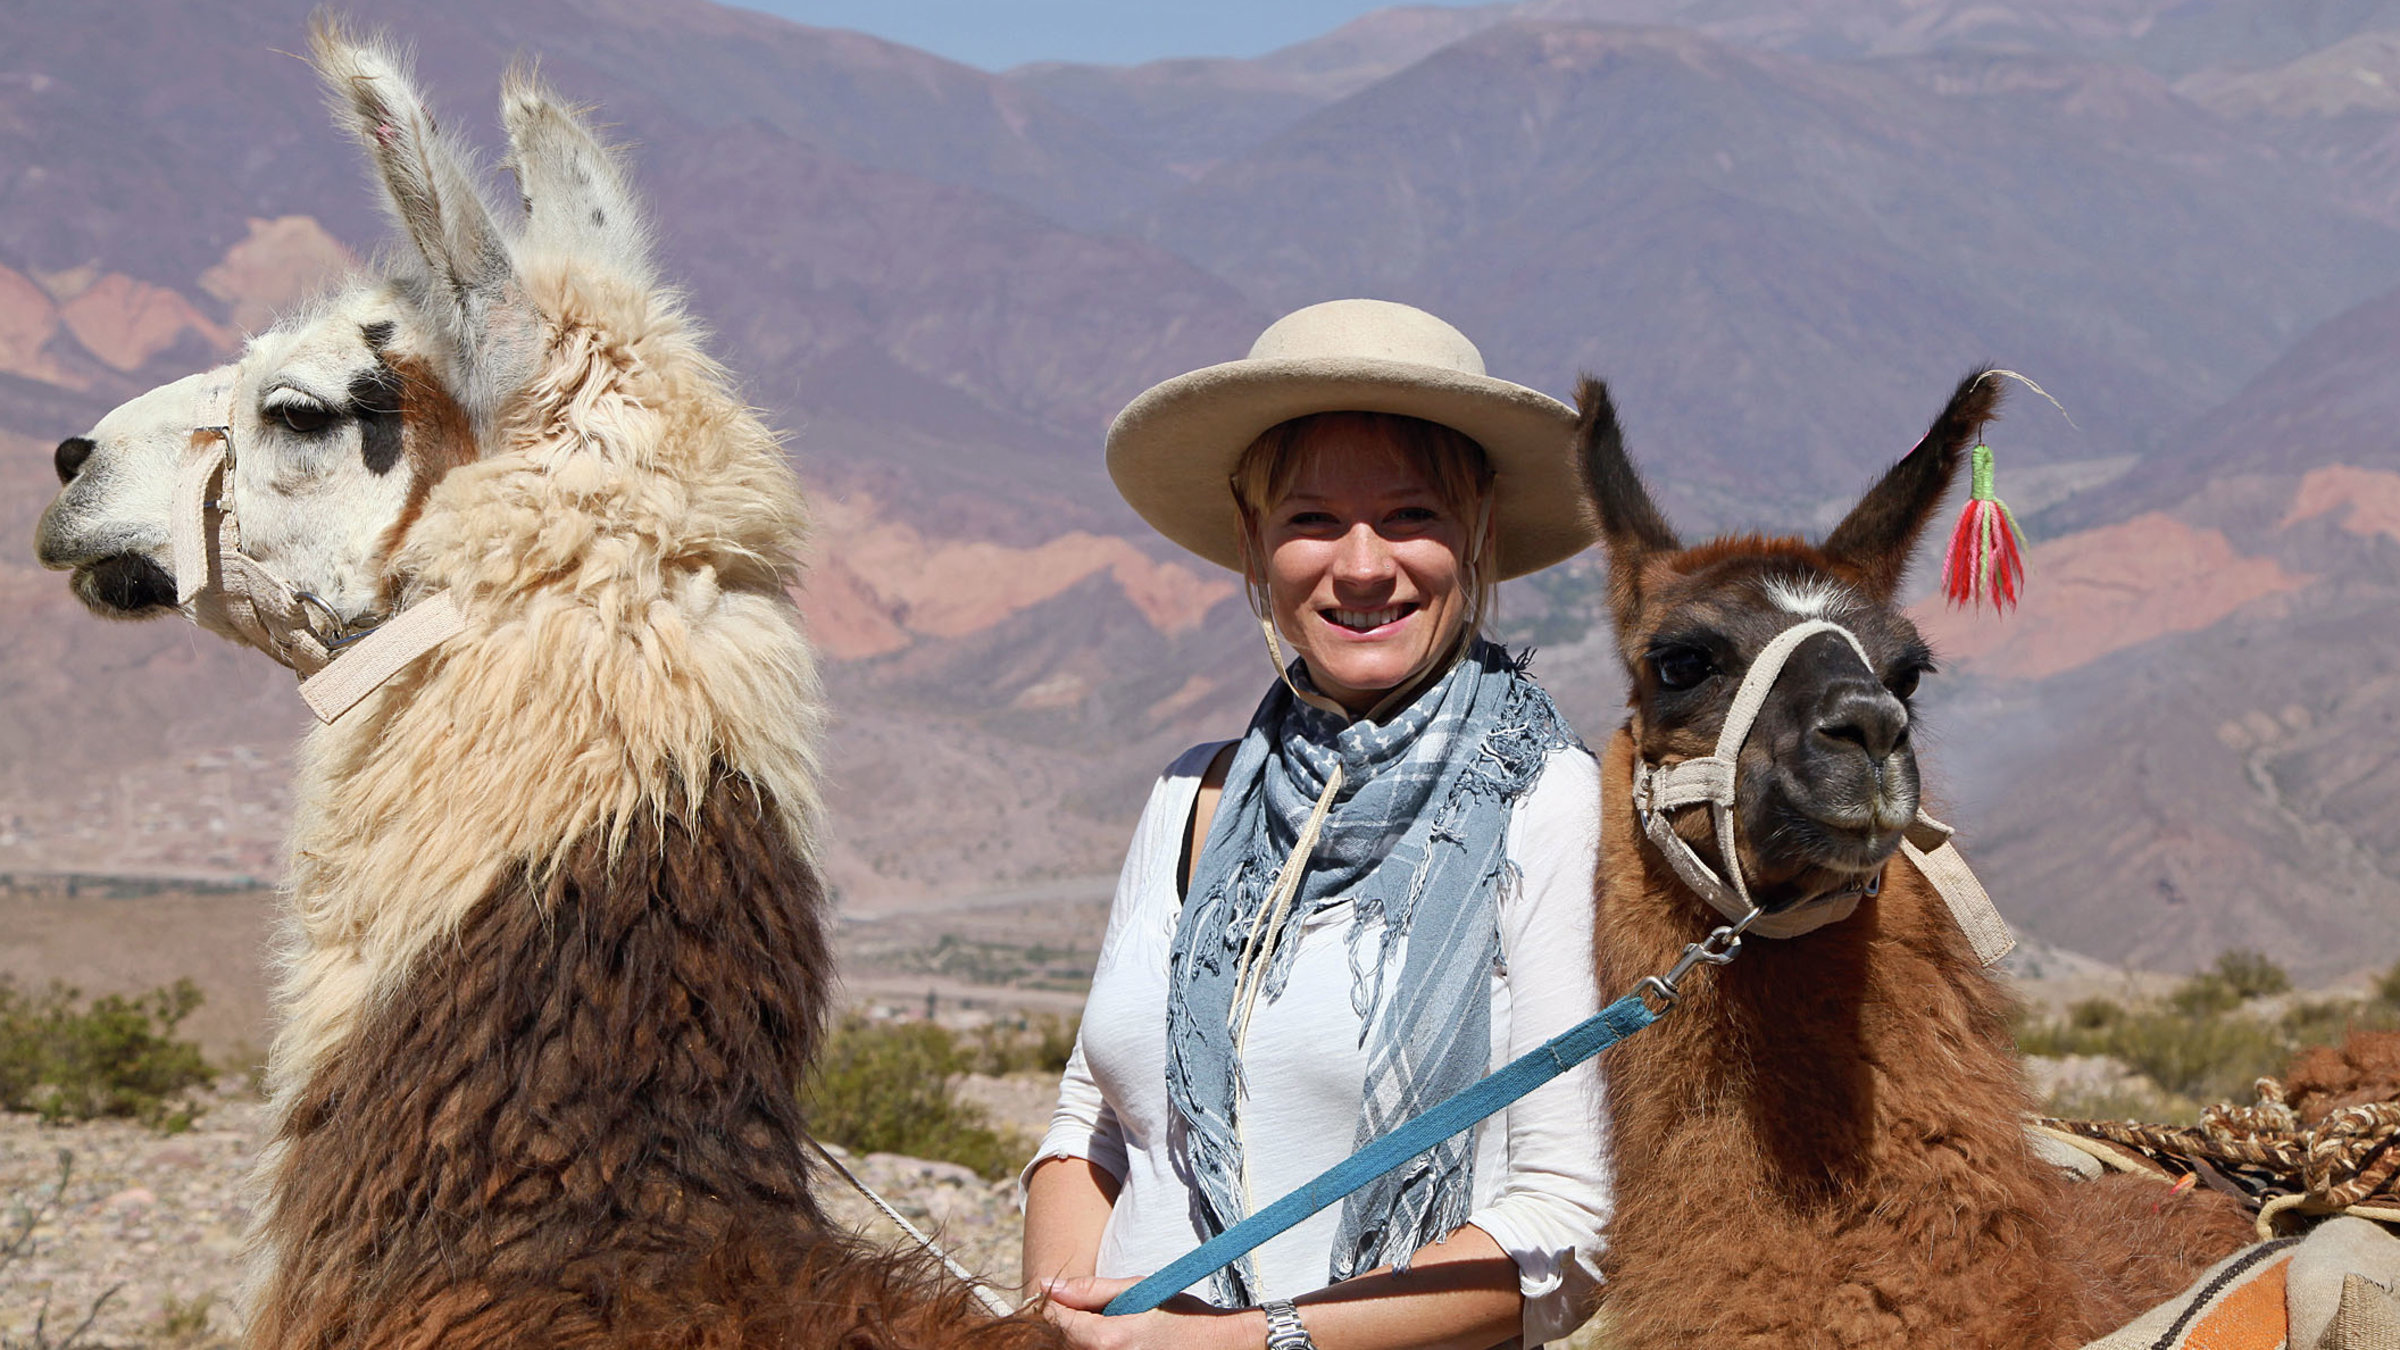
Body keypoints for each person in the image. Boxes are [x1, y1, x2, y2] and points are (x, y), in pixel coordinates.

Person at [1020, 299, 1612, 1350]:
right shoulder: (1189, 798)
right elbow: (1097, 1121)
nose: (1363, 565)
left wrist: (1233, 1345)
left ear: (1476, 536)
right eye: (1310, 520)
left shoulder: (1548, 805)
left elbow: (1568, 1230)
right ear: (1254, 543)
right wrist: (1066, 1319)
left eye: (1412, 516)